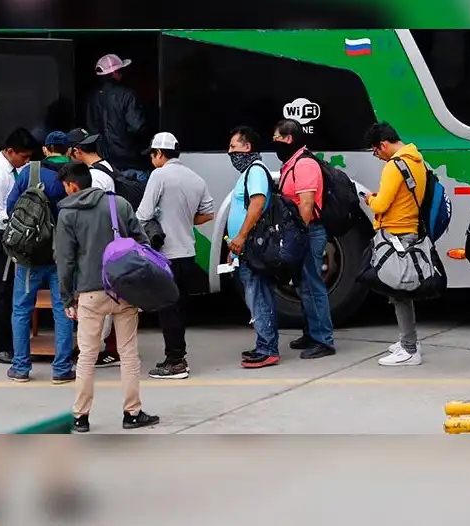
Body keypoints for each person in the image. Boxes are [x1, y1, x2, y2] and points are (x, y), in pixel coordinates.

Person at [55, 162, 159, 432]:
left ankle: (81, 417)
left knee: (87, 356)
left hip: (89, 293)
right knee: (128, 354)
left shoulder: (67, 215)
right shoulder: (119, 204)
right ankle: (132, 413)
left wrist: (67, 299)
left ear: (72, 186)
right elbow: (143, 242)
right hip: (123, 291)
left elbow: (64, 261)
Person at [136, 132, 215, 379]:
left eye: (152, 154)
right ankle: (178, 356)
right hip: (188, 253)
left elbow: (143, 214)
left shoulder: (159, 175)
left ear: (160, 153)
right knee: (178, 307)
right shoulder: (195, 178)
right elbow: (208, 213)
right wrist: (182, 220)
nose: (151, 159)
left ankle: (175, 361)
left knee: (167, 309)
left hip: (165, 254)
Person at [4, 131, 75, 384]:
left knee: (21, 309)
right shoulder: (74, 174)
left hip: (29, 256)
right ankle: (62, 369)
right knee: (64, 309)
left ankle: (21, 368)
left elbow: (11, 207)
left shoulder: (29, 172)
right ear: (68, 150)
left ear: (45, 149)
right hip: (62, 256)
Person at [364, 122, 427, 366]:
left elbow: (381, 205)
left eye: (376, 151)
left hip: (396, 234)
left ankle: (409, 349)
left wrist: (370, 198)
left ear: (383, 145)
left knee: (399, 292)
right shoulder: (416, 158)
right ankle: (407, 340)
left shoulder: (394, 166)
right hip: (409, 229)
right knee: (399, 290)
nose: (377, 157)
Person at [273, 119, 336, 359]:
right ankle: (311, 333)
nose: (275, 143)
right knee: (302, 285)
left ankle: (324, 340)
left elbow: (307, 203)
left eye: (277, 138)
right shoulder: (293, 163)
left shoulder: (305, 164)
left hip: (309, 232)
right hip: (302, 232)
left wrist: (299, 234)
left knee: (312, 286)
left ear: (289, 138)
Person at [0, 127, 36, 364]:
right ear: (10, 151)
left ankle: (11, 343)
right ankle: (0, 348)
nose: (26, 162)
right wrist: (22, 221)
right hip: (0, 238)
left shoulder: (11, 169)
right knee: (2, 295)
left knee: (12, 291)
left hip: (11, 236)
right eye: (24, 157)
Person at [66, 127, 120, 368]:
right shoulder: (105, 167)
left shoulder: (95, 177)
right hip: (107, 240)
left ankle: (96, 350)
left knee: (98, 296)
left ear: (77, 151)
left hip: (99, 243)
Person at [226, 126, 279, 369]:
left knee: (258, 295)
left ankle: (267, 348)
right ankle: (263, 343)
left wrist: (241, 235)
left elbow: (257, 204)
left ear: (247, 147)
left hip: (252, 245)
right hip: (244, 247)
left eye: (233, 147)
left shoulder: (255, 171)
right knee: (254, 294)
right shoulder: (249, 171)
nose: (230, 152)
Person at [85, 54, 149, 181]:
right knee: (135, 199)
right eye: (122, 70)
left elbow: (91, 128)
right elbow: (137, 127)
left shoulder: (92, 98)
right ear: (115, 72)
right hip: (130, 164)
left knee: (110, 200)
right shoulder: (128, 95)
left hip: (103, 164)